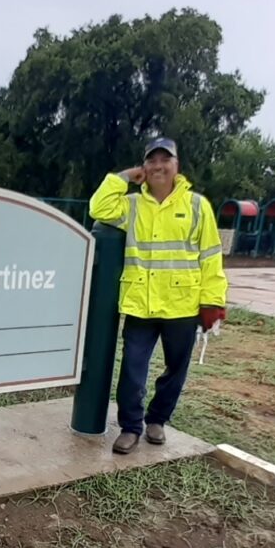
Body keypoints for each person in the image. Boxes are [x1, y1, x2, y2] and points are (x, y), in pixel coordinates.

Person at [89, 137, 227, 455]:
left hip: (182, 304)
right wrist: (123, 178)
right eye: (152, 161)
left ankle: (157, 421)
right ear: (144, 167)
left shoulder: (196, 206)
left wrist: (213, 301)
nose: (158, 166)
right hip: (141, 303)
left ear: (176, 166)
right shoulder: (133, 205)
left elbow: (211, 256)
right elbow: (98, 207)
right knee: (133, 370)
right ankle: (130, 427)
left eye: (165, 160)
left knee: (175, 369)